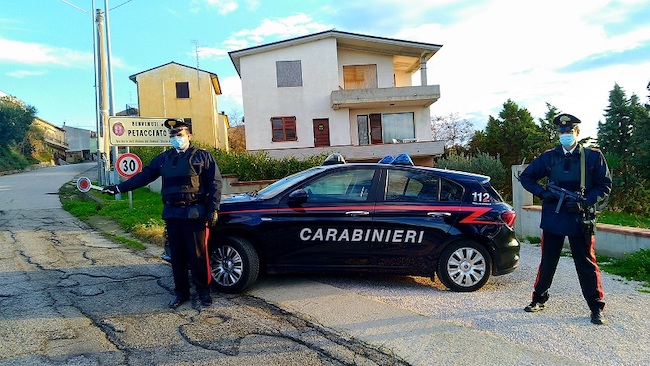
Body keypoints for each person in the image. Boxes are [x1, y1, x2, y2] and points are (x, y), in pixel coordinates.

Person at [103, 118, 222, 308]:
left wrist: (213, 209)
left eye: (179, 135)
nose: (176, 138)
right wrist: (118, 188)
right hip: (173, 213)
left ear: (188, 136)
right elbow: (143, 177)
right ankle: (181, 293)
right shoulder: (164, 159)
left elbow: (215, 184)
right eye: (172, 136)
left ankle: (203, 293)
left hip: (194, 213)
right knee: (177, 257)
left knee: (198, 256)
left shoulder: (202, 156)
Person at [519, 113, 612, 325]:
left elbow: (604, 185)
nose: (565, 135)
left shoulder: (593, 157)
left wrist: (586, 201)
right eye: (561, 132)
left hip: (581, 217)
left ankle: (596, 307)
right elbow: (526, 177)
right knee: (548, 260)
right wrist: (542, 194)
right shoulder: (549, 157)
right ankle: (538, 299)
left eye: (569, 132)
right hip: (554, 216)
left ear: (577, 133)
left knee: (586, 263)